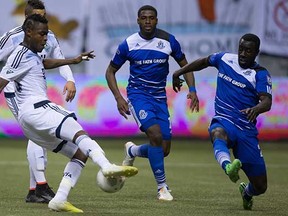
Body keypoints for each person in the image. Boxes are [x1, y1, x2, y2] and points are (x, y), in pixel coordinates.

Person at [0, 14, 138, 213]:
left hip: (30, 124)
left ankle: (60, 198)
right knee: (78, 132)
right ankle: (107, 166)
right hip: (37, 108)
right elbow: (2, 81)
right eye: (42, 34)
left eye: (47, 34)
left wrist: (73, 60)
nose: (46, 38)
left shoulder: (32, 53)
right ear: (28, 32)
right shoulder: (18, 55)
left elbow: (43, 63)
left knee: (80, 153)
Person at [105, 5, 199, 201]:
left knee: (163, 149)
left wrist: (192, 90)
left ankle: (133, 150)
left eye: (151, 18)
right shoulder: (128, 44)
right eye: (144, 18)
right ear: (138, 21)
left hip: (159, 98)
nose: (148, 21)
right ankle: (162, 188)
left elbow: (186, 66)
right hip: (138, 95)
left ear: (157, 20)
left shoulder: (168, 41)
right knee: (155, 135)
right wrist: (118, 97)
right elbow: (110, 71)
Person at [172, 33, 272, 210]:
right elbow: (203, 62)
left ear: (256, 52)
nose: (242, 54)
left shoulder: (260, 74)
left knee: (260, 186)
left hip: (246, 131)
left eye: (248, 51)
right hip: (224, 120)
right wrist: (180, 71)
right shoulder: (224, 59)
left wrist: (256, 109)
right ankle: (228, 167)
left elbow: (266, 101)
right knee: (217, 132)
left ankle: (247, 192)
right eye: (241, 49)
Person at [0, 0, 76, 203]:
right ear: (27, 20)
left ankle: (35, 190)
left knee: (38, 135)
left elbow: (59, 58)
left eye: (44, 16)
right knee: (36, 133)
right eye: (37, 16)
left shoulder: (49, 36)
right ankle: (39, 187)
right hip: (15, 92)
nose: (42, 20)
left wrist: (69, 79)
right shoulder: (11, 37)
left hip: (36, 92)